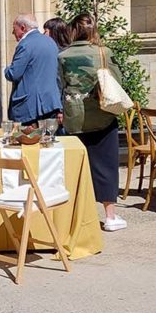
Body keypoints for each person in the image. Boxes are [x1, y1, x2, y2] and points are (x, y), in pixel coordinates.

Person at [58, 13, 126, 232]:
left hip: (74, 115)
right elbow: (117, 79)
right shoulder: (103, 53)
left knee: (76, 165)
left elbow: (59, 84)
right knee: (106, 163)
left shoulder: (63, 56)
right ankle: (110, 216)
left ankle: (77, 214)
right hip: (102, 113)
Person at [4, 14, 62, 125]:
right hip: (50, 104)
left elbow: (13, 74)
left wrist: (6, 69)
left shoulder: (25, 44)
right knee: (47, 140)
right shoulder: (50, 42)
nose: (12, 33)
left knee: (29, 140)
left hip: (30, 106)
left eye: (14, 29)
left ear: (22, 28)